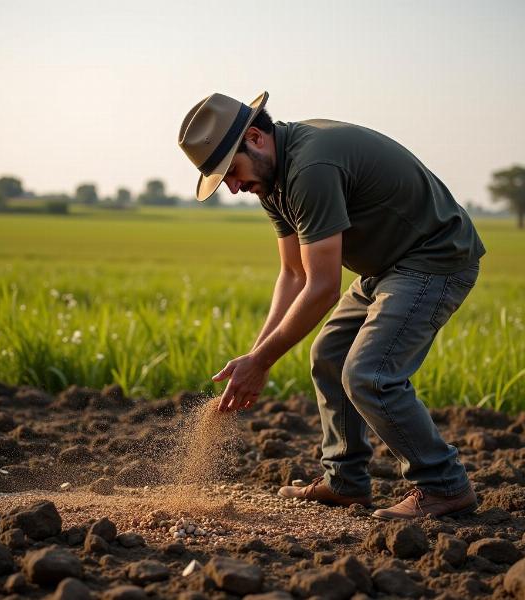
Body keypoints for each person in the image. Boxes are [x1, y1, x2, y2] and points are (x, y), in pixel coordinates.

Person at [178, 91, 486, 520]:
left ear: (255, 138)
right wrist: (255, 355)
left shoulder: (311, 167)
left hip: (434, 257)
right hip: (387, 266)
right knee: (328, 354)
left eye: (230, 171)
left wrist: (261, 362)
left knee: (370, 374)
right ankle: (346, 483)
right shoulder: (272, 182)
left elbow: (323, 287)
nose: (232, 187)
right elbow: (294, 275)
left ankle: (444, 486)